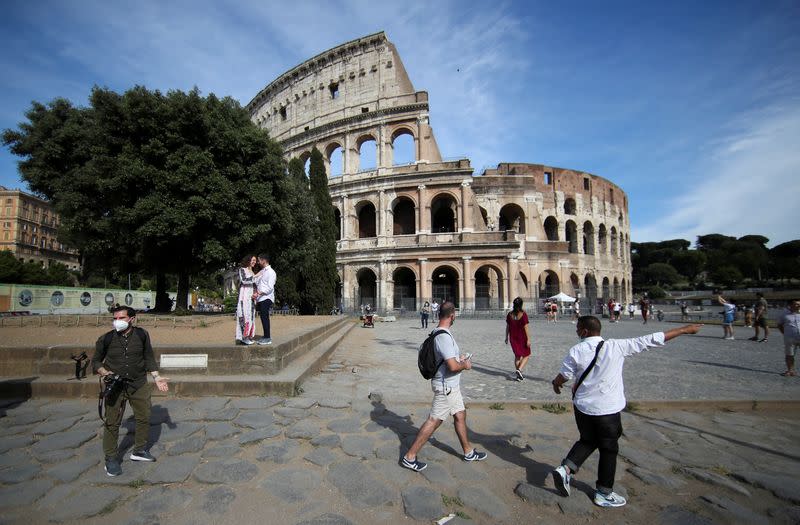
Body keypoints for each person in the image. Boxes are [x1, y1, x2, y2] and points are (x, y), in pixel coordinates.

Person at [550, 316, 702, 508]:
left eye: (577, 329)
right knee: (609, 448)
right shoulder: (617, 346)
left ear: (585, 331)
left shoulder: (577, 350)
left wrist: (556, 384)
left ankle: (566, 469)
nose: (576, 332)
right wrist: (683, 330)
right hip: (607, 410)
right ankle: (604, 492)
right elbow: (651, 339)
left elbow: (564, 375)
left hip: (583, 408)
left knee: (588, 439)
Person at [401, 301, 488, 471]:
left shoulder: (438, 333)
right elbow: (453, 367)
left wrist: (459, 358)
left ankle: (468, 451)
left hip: (450, 386)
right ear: (452, 315)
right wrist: (465, 364)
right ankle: (409, 457)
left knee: (460, 415)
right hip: (446, 387)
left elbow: (448, 360)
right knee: (434, 421)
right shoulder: (443, 337)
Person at [92, 306, 170, 477]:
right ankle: (111, 458)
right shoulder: (106, 338)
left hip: (138, 383)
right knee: (112, 421)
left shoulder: (142, 335)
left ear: (132, 319)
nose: (117, 322)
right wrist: (105, 373)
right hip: (115, 385)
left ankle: (139, 450)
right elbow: (96, 362)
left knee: (144, 417)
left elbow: (148, 357)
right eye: (115, 318)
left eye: (121, 318)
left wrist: (156, 377)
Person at [505, 297, 531, 381]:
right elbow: (526, 327)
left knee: (517, 356)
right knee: (527, 354)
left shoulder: (509, 314)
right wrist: (528, 339)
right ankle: (519, 370)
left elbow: (507, 327)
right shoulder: (523, 314)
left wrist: (506, 337)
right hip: (522, 337)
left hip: (513, 338)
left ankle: (519, 376)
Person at [236, 254, 258, 345]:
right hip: (244, 297)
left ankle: (248, 336)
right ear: (248, 260)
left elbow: (255, 284)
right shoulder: (242, 270)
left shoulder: (252, 272)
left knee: (251, 316)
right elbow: (244, 280)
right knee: (244, 315)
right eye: (253, 260)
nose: (254, 262)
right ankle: (243, 337)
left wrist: (256, 293)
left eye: (255, 260)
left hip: (252, 298)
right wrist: (256, 276)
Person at [255, 253, 277, 345]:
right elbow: (256, 282)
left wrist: (259, 292)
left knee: (265, 317)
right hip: (261, 298)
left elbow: (270, 287)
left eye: (259, 260)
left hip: (266, 297)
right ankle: (265, 336)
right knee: (263, 317)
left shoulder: (271, 272)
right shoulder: (263, 272)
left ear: (264, 261)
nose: (258, 262)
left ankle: (267, 337)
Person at [777, 299, 800, 376]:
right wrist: (785, 334)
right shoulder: (784, 314)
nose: (798, 305)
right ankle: (790, 370)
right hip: (790, 338)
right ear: (790, 305)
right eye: (796, 304)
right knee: (790, 355)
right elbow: (779, 325)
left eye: (799, 304)